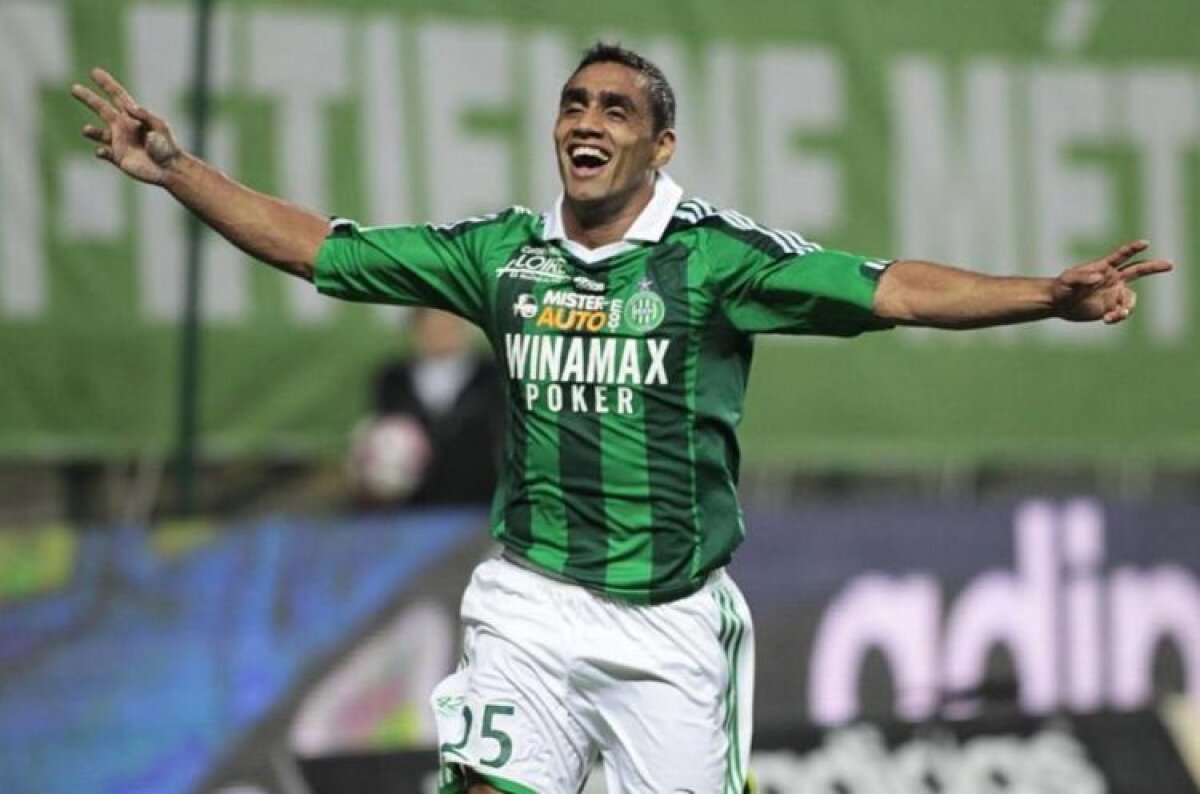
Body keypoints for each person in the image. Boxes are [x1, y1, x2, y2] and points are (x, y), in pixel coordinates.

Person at [71, 42, 1171, 794]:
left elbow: (894, 290)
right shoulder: (503, 255)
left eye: (616, 110)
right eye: (574, 105)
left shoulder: (717, 260)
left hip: (669, 624)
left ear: (659, 147)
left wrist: (1046, 293)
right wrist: (176, 170)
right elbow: (319, 247)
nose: (587, 122)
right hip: (529, 603)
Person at [348, 306, 503, 507]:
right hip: (411, 507)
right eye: (433, 326)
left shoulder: (493, 376)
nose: (441, 333)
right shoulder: (393, 379)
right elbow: (382, 432)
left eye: (449, 326)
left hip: (479, 502)